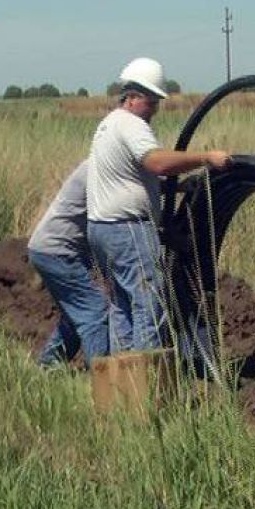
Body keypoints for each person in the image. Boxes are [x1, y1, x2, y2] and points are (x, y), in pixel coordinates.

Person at [86, 57, 231, 351]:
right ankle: (148, 388)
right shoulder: (131, 124)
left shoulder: (108, 124)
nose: (154, 111)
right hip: (127, 230)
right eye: (152, 103)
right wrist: (207, 158)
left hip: (102, 229)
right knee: (148, 307)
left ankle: (123, 386)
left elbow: (130, 178)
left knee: (123, 307)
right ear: (135, 97)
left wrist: (174, 188)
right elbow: (157, 162)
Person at [28, 160, 110, 368]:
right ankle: (102, 381)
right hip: (57, 251)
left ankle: (47, 367)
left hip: (49, 248)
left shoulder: (105, 163)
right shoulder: (102, 168)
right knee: (95, 312)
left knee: (76, 314)